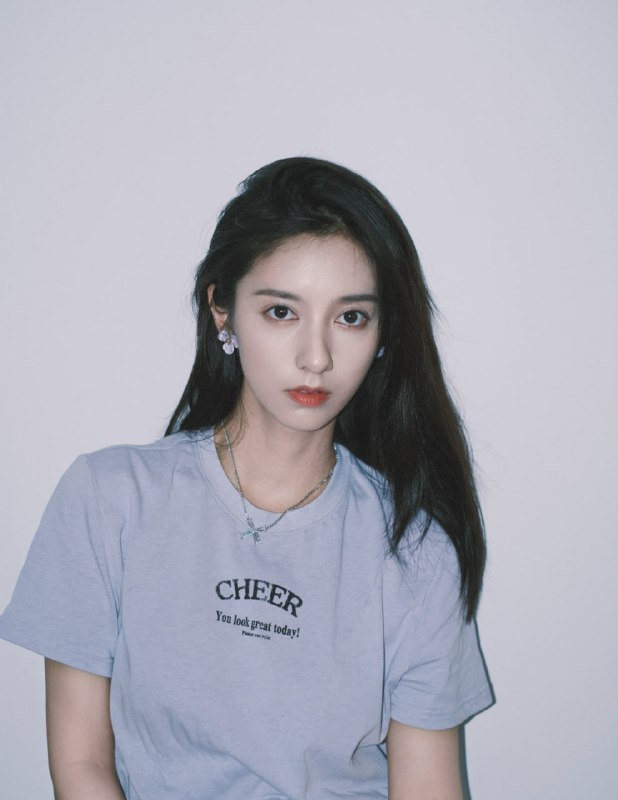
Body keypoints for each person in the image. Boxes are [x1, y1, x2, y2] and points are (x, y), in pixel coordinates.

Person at [0, 157, 493, 799]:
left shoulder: (416, 550)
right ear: (222, 311)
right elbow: (81, 767)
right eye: (282, 311)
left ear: (382, 335)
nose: (316, 357)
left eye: (350, 317)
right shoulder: (109, 498)